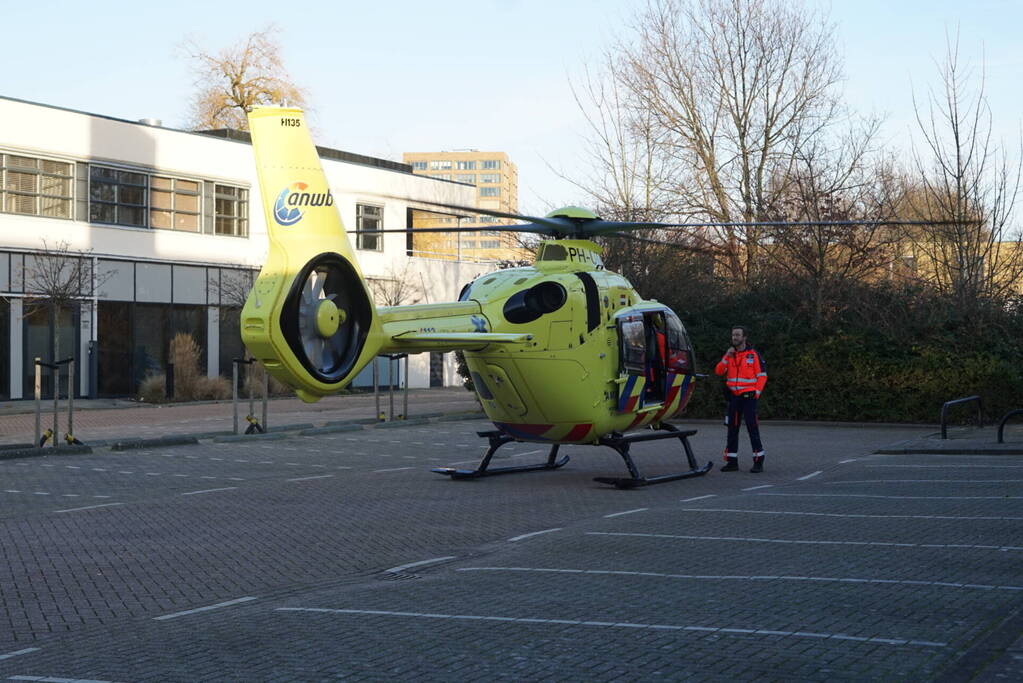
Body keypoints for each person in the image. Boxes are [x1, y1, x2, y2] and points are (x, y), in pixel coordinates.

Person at [715, 325, 767, 473]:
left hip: (749, 397)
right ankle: (732, 462)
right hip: (733, 397)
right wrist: (726, 357)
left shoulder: (753, 355)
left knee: (752, 428)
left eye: (737, 335)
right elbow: (718, 371)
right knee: (732, 429)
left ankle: (758, 461)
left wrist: (756, 393)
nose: (734, 338)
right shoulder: (730, 355)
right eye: (733, 335)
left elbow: (762, 376)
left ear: (744, 337)